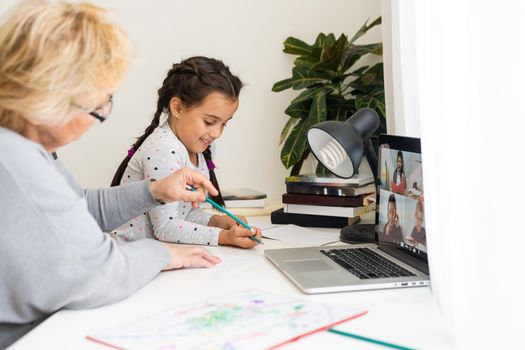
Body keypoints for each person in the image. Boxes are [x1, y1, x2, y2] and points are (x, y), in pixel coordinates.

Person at [0, 1, 221, 345]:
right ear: (52, 96)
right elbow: (98, 273)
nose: (103, 114)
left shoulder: (23, 144)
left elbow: (79, 208)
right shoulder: (14, 160)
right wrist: (164, 253)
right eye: (99, 105)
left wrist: (155, 191)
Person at [110, 57, 262, 249]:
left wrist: (218, 222)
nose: (216, 133)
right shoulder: (164, 149)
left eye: (224, 123)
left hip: (159, 254)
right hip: (130, 254)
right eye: (209, 121)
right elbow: (165, 227)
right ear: (178, 108)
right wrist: (224, 237)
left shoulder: (198, 147)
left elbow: (184, 214)